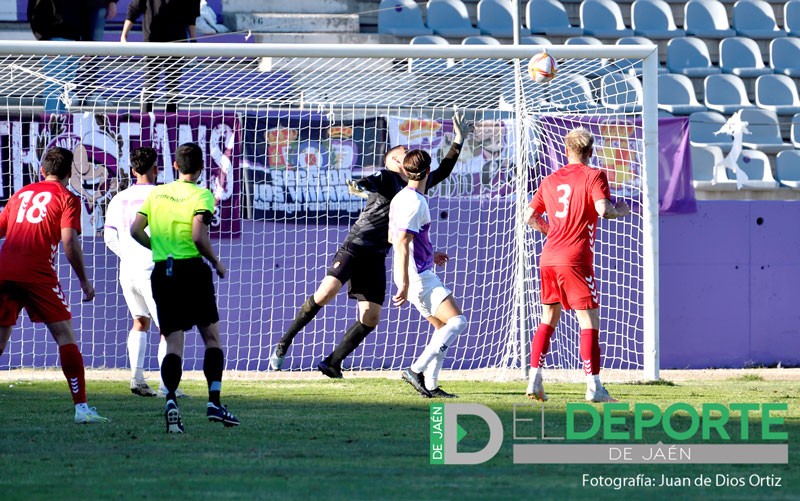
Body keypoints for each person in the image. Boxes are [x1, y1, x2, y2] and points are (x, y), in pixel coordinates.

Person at [269, 113, 469, 379]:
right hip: (356, 246)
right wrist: (358, 184)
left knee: (371, 318)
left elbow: (442, 170)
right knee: (325, 293)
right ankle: (284, 342)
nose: (407, 153)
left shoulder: (414, 184)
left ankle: (332, 363)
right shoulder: (387, 177)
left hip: (377, 257)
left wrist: (458, 140)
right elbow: (371, 179)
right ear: (395, 161)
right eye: (402, 151)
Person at [131, 142, 238, 433]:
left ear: (175, 166)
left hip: (163, 272)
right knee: (211, 338)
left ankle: (170, 400)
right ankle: (214, 402)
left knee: (173, 342)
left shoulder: (157, 193)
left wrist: (158, 246)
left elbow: (135, 230)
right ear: (202, 167)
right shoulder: (203, 194)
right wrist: (216, 262)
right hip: (191, 270)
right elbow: (198, 236)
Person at [0, 147, 108, 424]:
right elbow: (69, 241)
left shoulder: (21, 194)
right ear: (70, 173)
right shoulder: (67, 198)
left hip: (4, 270)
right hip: (37, 273)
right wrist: (84, 282)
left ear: (41, 170)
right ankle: (82, 409)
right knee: (65, 336)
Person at [523, 127, 630, 403]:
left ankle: (534, 379)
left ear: (566, 150)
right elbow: (604, 210)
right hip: (575, 258)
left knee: (548, 317)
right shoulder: (594, 175)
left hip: (548, 257)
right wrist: (621, 209)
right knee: (589, 320)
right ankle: (594, 387)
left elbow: (529, 216)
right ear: (591, 151)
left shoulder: (550, 179)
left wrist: (552, 232)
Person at [104, 147, 183, 398]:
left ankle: (137, 379)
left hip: (128, 270)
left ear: (132, 169)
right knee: (168, 329)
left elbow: (109, 237)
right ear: (156, 169)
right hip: (154, 269)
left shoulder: (119, 198)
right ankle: (166, 386)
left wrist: (128, 256)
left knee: (140, 322)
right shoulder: (164, 196)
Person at [389, 150, 468, 398]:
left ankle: (431, 385)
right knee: (457, 322)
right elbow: (401, 242)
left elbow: (398, 238)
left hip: (416, 272)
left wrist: (429, 254)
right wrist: (403, 283)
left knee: (443, 327)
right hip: (417, 277)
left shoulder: (401, 197)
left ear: (405, 171)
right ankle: (415, 370)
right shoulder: (415, 202)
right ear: (426, 171)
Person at [121, 0, 201, 114]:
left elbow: (191, 16)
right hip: (152, 41)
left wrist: (193, 42)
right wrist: (124, 36)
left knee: (173, 86)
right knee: (149, 84)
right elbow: (134, 8)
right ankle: (145, 120)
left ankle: (172, 123)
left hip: (177, 41)